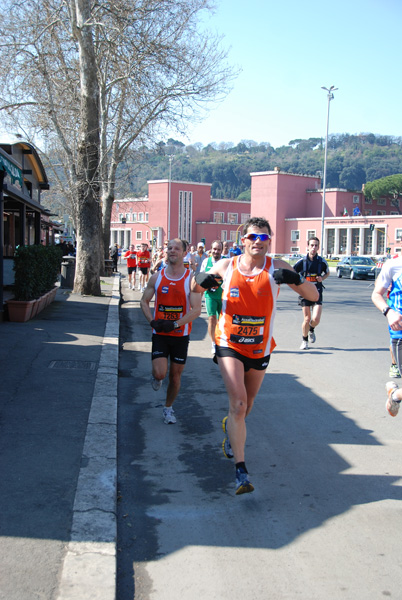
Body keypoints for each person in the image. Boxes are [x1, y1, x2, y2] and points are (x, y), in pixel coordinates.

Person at [192, 217, 318, 495]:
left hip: (260, 348)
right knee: (238, 405)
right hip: (229, 344)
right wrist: (201, 280)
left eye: (263, 237)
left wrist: (296, 279)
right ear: (243, 240)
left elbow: (313, 295)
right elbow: (196, 288)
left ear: (269, 241)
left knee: (245, 409)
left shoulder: (278, 267)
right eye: (253, 237)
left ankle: (230, 426)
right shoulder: (227, 265)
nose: (258, 242)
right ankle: (241, 471)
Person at [140, 238, 202, 424]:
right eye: (169, 248)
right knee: (160, 374)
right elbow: (144, 301)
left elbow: (196, 310)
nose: (172, 251)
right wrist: (152, 322)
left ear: (185, 252)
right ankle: (157, 376)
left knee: (175, 377)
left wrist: (175, 324)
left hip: (180, 336)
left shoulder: (191, 280)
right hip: (160, 334)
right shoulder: (157, 277)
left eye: (176, 248)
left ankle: (168, 408)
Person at [372, 254, 402, 416]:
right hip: (400, 332)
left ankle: (395, 395)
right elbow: (376, 294)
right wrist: (388, 312)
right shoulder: (393, 265)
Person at [293, 237, 330, 350]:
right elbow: (293, 272)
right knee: (307, 319)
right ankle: (304, 341)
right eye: (312, 245)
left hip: (317, 291)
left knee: (316, 319)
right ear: (308, 246)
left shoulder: (321, 261)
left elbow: (327, 273)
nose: (314, 248)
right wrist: (300, 281)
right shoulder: (302, 261)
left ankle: (311, 329)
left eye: (316, 246)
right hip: (304, 292)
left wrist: (321, 278)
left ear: (318, 247)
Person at [200, 240, 224, 354]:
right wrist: (208, 286)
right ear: (211, 249)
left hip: (223, 295)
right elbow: (201, 277)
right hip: (210, 295)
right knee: (212, 318)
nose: (216, 251)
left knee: (222, 320)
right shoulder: (206, 261)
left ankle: (222, 341)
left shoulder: (225, 262)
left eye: (219, 249)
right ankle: (214, 343)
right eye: (214, 249)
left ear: (222, 250)